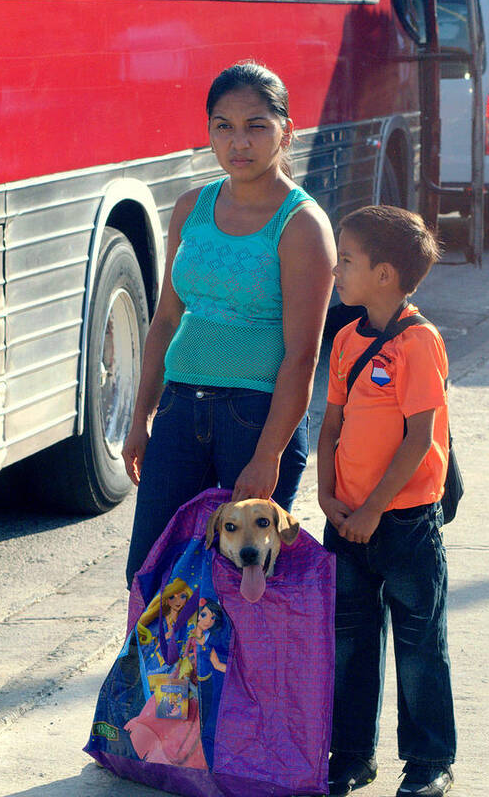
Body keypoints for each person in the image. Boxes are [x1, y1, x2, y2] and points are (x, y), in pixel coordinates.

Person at [122, 61, 335, 588]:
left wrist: (269, 455)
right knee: (153, 576)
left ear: (287, 131)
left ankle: (238, 676)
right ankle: (163, 677)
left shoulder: (302, 224)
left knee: (245, 588)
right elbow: (167, 317)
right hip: (179, 410)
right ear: (209, 131)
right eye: (224, 126)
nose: (239, 142)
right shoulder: (191, 206)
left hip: (255, 417)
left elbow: (302, 355)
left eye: (256, 126)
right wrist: (141, 416)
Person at [317, 205, 457, 797]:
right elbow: (330, 424)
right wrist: (326, 494)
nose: (335, 271)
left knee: (419, 642)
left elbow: (419, 438)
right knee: (348, 640)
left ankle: (429, 763)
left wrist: (374, 508)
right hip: (345, 521)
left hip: (402, 524)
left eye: (345, 260)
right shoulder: (347, 339)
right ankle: (351, 755)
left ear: (385, 275)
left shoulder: (419, 342)